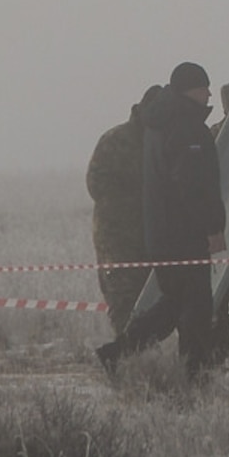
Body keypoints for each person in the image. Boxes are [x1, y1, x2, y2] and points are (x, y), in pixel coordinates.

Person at [98, 62, 229, 374]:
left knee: (173, 303)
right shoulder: (186, 128)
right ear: (189, 90)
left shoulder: (158, 126)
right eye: (203, 87)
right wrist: (212, 228)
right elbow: (194, 185)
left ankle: (119, 352)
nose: (208, 93)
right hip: (184, 235)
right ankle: (194, 372)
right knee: (196, 306)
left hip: (161, 235)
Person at [84, 85, 156, 335]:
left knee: (150, 300)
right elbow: (96, 184)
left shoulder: (159, 139)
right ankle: (127, 359)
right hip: (116, 238)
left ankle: (141, 353)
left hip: (150, 235)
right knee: (123, 300)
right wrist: (134, 197)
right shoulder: (115, 140)